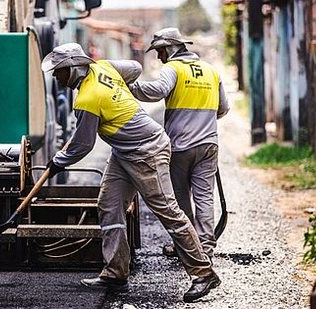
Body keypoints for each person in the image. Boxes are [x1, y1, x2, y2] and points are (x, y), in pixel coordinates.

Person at [41, 43, 220, 303]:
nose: (57, 78)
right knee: (109, 204)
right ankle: (116, 270)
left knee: (168, 210)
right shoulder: (104, 67)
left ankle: (203, 272)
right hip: (123, 151)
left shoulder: (87, 99)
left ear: (74, 68)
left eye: (60, 72)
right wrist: (121, 87)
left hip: (147, 150)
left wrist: (57, 162)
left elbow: (82, 145)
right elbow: (135, 68)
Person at [130, 28, 230, 259]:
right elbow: (223, 108)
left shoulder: (173, 68)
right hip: (208, 145)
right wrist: (201, 121)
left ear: (170, 48)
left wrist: (129, 87)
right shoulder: (211, 71)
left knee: (180, 196)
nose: (158, 56)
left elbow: (157, 91)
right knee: (204, 196)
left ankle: (186, 245)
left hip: (181, 146)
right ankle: (205, 247)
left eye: (160, 51)